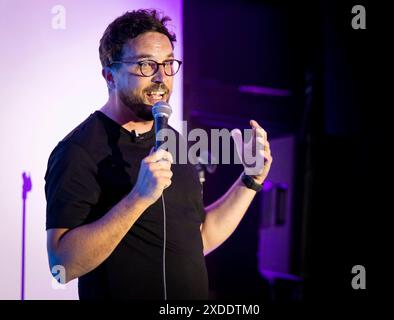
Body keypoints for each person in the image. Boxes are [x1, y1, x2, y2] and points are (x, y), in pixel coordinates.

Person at [45, 9, 272, 300]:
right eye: (145, 65)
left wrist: (250, 179)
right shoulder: (78, 150)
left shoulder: (176, 144)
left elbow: (199, 238)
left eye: (168, 64)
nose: (161, 77)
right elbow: (62, 265)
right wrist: (139, 197)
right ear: (109, 76)